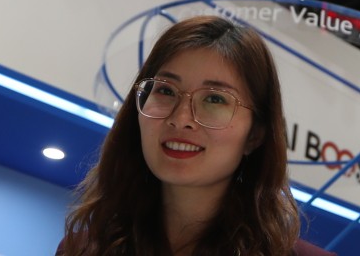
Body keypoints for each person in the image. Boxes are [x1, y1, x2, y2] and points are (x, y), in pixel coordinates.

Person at [58, 15, 335, 256]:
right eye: (165, 91)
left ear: (255, 135)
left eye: (215, 99)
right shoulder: (82, 249)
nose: (181, 119)